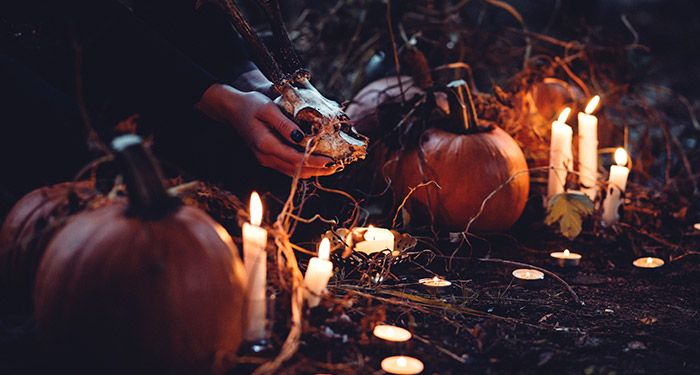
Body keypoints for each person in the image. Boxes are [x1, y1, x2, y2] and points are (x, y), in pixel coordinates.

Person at [0, 0, 336, 213]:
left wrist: (253, 82)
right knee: (108, 178)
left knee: (253, 171)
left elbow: (185, 12)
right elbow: (92, 20)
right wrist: (223, 100)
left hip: (149, 64)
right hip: (34, 60)